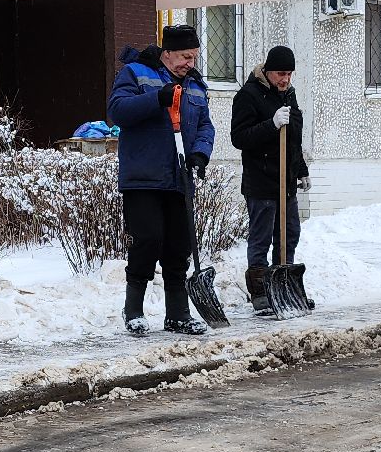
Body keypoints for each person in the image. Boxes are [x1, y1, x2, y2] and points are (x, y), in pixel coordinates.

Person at [106, 25, 214, 336]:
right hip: (143, 176)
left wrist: (199, 154)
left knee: (178, 245)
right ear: (166, 53)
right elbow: (118, 111)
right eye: (184, 56)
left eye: (193, 57)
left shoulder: (195, 85)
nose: (189, 63)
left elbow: (206, 126)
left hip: (178, 177)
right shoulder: (136, 73)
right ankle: (134, 309)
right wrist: (157, 98)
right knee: (148, 239)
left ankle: (177, 314)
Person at [230, 44, 310, 314]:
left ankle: (284, 288)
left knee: (289, 235)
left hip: (286, 181)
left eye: (289, 73)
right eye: (279, 73)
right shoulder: (248, 95)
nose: (284, 79)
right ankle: (261, 292)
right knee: (261, 238)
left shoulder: (289, 95)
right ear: (267, 71)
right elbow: (239, 138)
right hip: (261, 182)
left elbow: (294, 138)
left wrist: (301, 169)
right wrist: (271, 124)